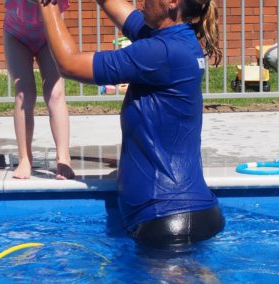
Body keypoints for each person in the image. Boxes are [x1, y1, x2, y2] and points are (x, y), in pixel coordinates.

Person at [38, 0, 225, 247]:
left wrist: (47, 4)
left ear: (172, 2)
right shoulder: (177, 40)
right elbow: (114, 6)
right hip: (188, 214)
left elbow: (69, 64)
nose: (141, 2)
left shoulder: (161, 52)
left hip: (165, 222)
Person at [3, 0, 75, 180]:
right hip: (16, 33)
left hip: (50, 31)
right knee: (24, 94)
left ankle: (63, 158)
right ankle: (24, 159)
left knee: (55, 93)